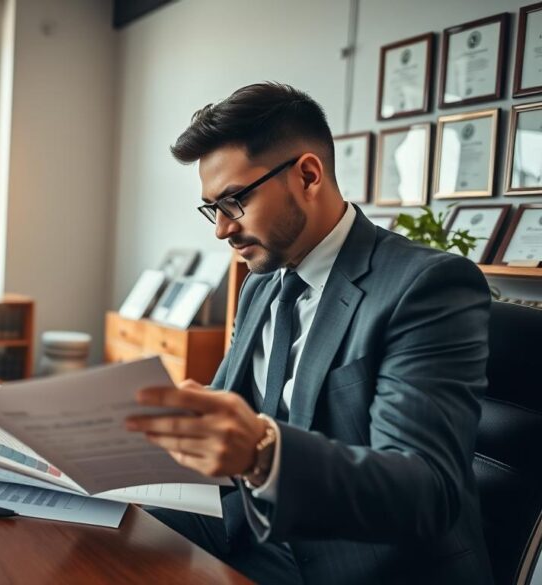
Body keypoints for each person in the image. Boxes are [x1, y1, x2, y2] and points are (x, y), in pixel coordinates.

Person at [125, 82, 492, 585]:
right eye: (213, 208)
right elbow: (229, 407)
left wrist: (262, 453)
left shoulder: (427, 286)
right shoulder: (262, 284)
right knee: (88, 535)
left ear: (308, 175)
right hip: (251, 529)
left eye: (234, 201)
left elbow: (426, 491)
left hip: (368, 564)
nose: (221, 230)